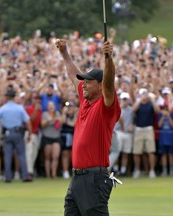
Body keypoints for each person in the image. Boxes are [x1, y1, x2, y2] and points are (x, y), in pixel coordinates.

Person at [56, 38, 121, 216]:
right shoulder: (85, 100)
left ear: (99, 86)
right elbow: (72, 74)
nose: (83, 83)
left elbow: (109, 83)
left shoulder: (106, 106)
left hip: (94, 178)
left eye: (88, 81)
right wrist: (64, 53)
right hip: (77, 178)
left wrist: (108, 58)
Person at [0, 88, 33, 182]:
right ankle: (24, 176)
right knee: (21, 155)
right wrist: (30, 133)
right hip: (18, 133)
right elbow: (28, 121)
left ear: (7, 97)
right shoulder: (19, 108)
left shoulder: (2, 109)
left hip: (7, 133)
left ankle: (8, 177)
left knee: (7, 156)